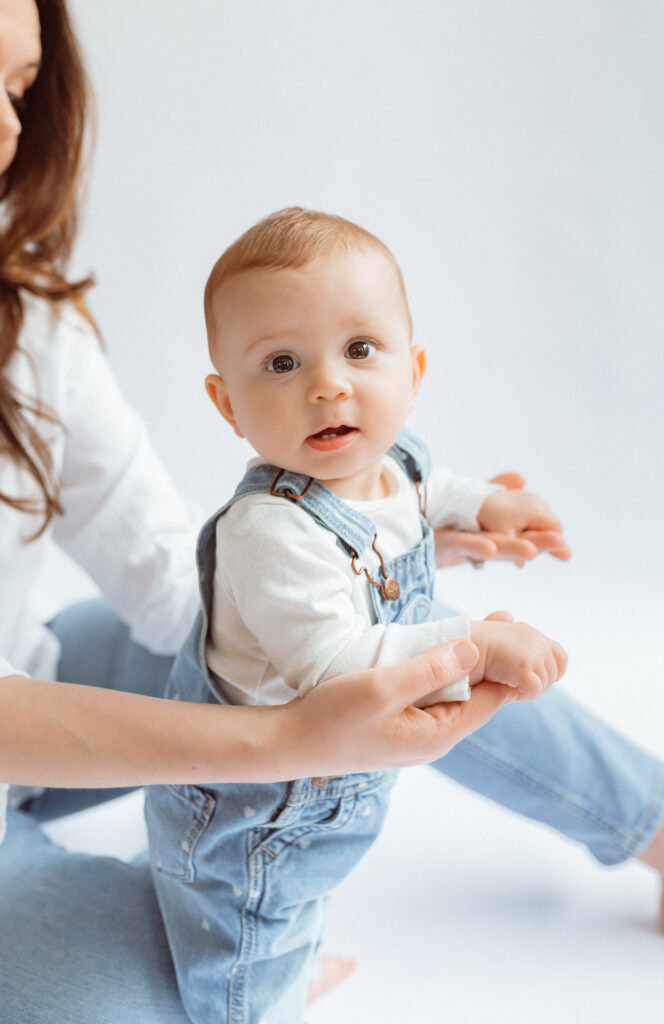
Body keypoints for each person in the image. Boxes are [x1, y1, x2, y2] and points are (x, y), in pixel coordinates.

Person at [0, 1, 664, 1022]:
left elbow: (161, 568)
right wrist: (280, 748)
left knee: (374, 621)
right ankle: (236, 931)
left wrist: (357, 549)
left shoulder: (27, 320)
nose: (14, 128)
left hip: (32, 675)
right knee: (145, 999)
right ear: (227, 396)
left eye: (17, 85)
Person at [145, 207, 569, 1024]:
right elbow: (336, 667)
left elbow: (428, 492)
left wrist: (490, 508)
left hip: (329, 780)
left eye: (359, 350)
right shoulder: (268, 528)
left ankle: (294, 957)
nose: (327, 384)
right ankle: (256, 995)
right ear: (226, 404)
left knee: (306, 888)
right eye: (280, 362)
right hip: (252, 801)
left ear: (411, 369)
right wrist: (473, 645)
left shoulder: (391, 458)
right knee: (245, 937)